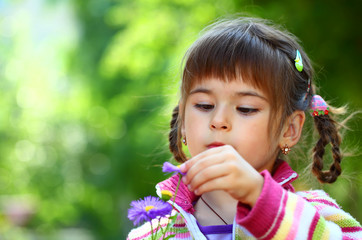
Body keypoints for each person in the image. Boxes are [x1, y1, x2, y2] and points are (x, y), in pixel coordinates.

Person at [127, 17, 362, 239]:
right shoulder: (152, 233)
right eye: (204, 105)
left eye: (246, 109)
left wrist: (259, 196)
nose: (219, 120)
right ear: (183, 123)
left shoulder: (314, 215)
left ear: (288, 130)